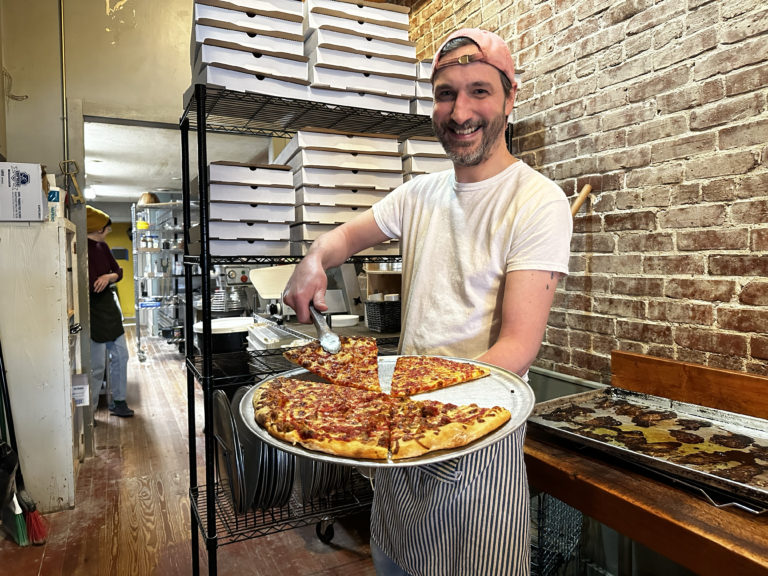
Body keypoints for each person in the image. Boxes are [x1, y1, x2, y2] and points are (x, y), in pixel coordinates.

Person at [283, 28, 572, 576]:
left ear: (510, 98)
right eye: (445, 93)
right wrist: (315, 258)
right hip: (398, 448)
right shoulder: (420, 193)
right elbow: (343, 239)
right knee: (392, 563)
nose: (460, 112)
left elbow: (516, 348)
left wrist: (412, 408)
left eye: (479, 91)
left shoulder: (537, 201)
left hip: (475, 443)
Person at [86, 205, 133, 418]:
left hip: (109, 307)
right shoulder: (81, 248)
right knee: (96, 366)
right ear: (97, 229)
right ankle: (91, 412)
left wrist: (108, 277)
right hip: (92, 310)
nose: (108, 232)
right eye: (107, 228)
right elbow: (90, 283)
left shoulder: (103, 247)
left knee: (121, 355)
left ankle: (119, 401)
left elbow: (118, 271)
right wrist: (106, 276)